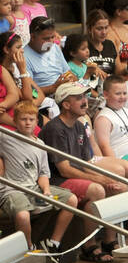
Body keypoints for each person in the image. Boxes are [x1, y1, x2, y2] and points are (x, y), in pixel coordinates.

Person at [38, 82, 125, 263]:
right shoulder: (55, 129)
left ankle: (109, 240)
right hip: (56, 180)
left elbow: (85, 163)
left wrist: (106, 178)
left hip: (73, 176)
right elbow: (65, 169)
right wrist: (99, 180)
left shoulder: (78, 125)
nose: (85, 101)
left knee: (121, 186)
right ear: (66, 105)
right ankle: (89, 246)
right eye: (78, 98)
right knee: (97, 190)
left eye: (84, 97)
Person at [0, 101, 79, 251]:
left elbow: (43, 173)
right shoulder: (6, 137)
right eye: (23, 119)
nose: (27, 123)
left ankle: (53, 243)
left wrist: (46, 190)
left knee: (71, 200)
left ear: (37, 121)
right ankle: (28, 247)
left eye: (31, 119)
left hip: (34, 188)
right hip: (13, 190)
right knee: (23, 215)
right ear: (15, 121)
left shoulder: (41, 144)